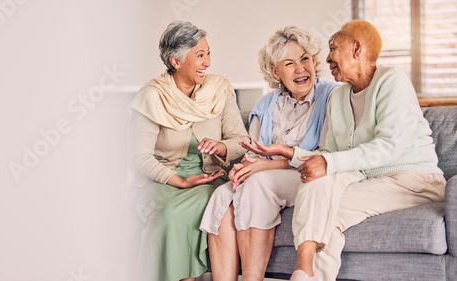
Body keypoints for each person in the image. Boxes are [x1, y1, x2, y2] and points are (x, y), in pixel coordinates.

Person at [243, 20, 446, 281]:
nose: (326, 59)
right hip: (372, 178)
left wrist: (326, 163)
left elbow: (389, 146)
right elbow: (329, 152)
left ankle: (303, 271)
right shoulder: (339, 97)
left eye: (333, 48)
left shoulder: (392, 81)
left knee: (326, 200)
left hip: (415, 181)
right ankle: (307, 272)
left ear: (357, 49)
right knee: (325, 200)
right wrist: (289, 152)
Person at [199, 26, 339, 281]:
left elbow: (325, 154)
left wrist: (264, 167)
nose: (300, 69)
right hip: (268, 177)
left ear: (314, 60)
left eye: (305, 59)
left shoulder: (331, 96)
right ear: (275, 71)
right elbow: (252, 154)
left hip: (307, 176)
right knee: (222, 195)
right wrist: (242, 169)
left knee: (258, 184)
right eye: (289, 63)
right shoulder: (265, 105)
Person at [128, 21, 249, 281]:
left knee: (203, 203)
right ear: (175, 61)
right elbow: (141, 157)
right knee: (169, 215)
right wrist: (179, 181)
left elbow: (241, 140)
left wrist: (221, 146)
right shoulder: (153, 96)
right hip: (164, 178)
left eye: (208, 54)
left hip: (210, 178)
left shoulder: (219, 89)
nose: (207, 63)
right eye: (200, 55)